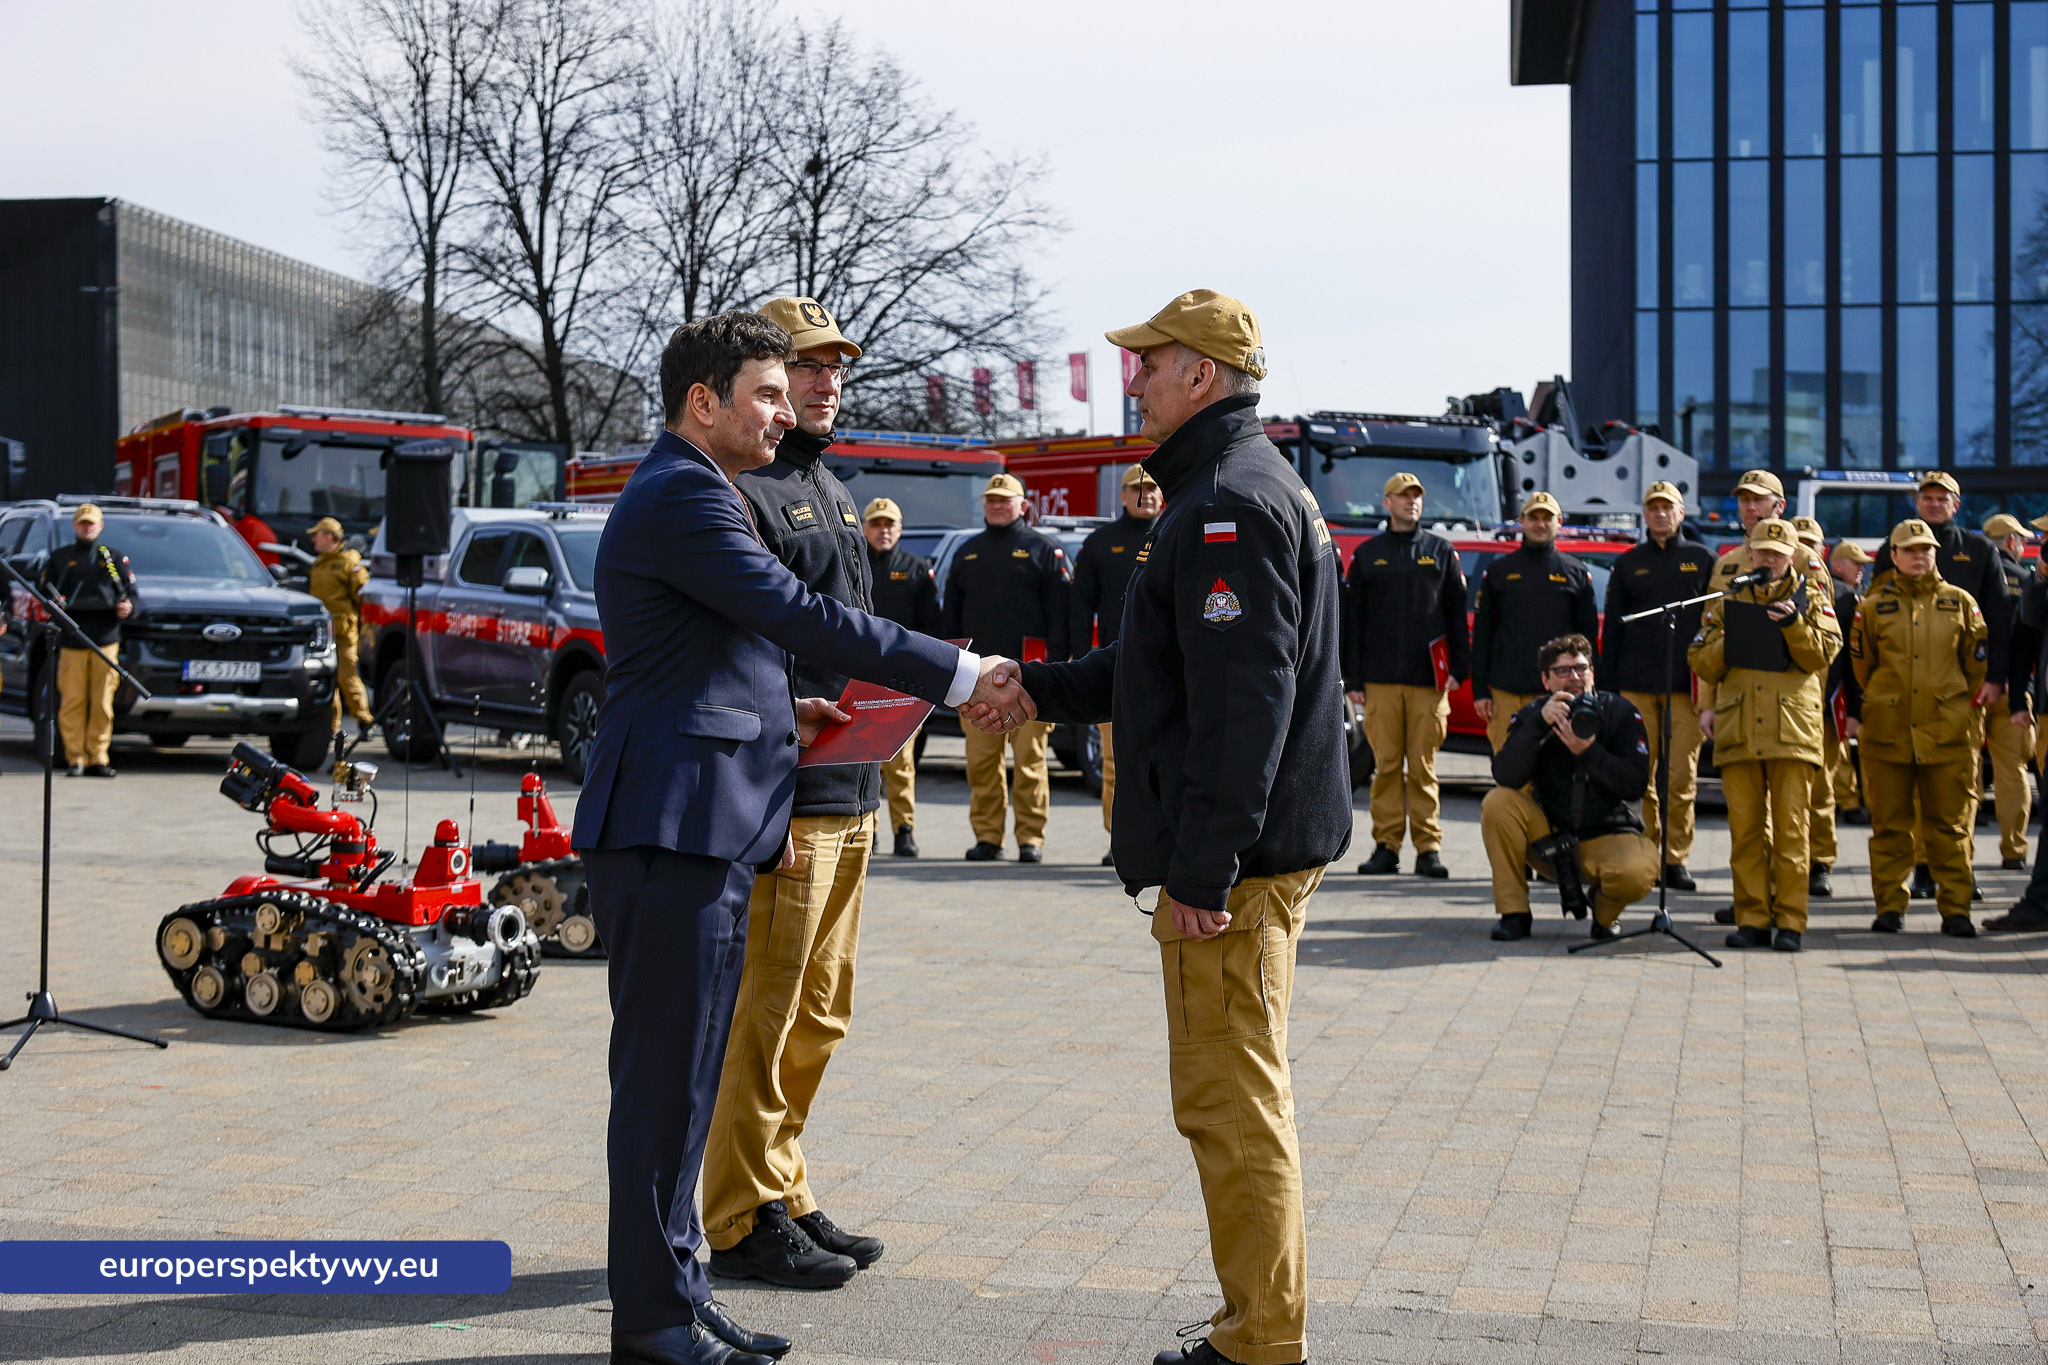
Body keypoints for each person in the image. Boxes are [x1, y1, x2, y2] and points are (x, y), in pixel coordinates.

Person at [571, 310, 1027, 1365]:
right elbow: (796, 614)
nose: (787, 412)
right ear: (703, 403)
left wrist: (796, 720)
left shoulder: (705, 486)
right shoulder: (684, 492)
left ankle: (679, 1295)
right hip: (669, 826)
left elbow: (720, 661)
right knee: (660, 1088)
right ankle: (649, 1321)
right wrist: (963, 676)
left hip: (706, 821)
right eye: (768, 394)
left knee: (687, 1083)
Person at [979, 289, 1349, 1365]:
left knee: (1229, 1103)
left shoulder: (1229, 503)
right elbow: (1163, 675)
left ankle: (1259, 1341)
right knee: (1231, 1094)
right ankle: (1255, 1322)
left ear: (1201, 374)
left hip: (1235, 874)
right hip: (1248, 857)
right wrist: (1034, 691)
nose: (1132, 379)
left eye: (1147, 362)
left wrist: (1203, 871)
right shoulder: (1221, 490)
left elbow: (1247, 710)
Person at [704, 297, 894, 1294]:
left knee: (819, 1016)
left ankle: (780, 1182)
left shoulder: (828, 486)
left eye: (834, 369)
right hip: (791, 802)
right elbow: (741, 658)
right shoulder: (743, 496)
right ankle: (736, 1218)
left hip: (852, 790)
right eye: (805, 367)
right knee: (766, 1018)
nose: (825, 384)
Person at [1689, 517, 1840, 952]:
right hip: (1740, 728)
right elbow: (1700, 659)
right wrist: (1731, 637)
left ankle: (1790, 920)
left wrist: (1792, 624)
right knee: (1746, 833)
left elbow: (1822, 654)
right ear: (1749, 553)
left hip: (1792, 728)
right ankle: (1752, 918)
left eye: (1778, 553)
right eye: (1762, 551)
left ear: (1792, 555)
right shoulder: (1728, 598)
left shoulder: (1812, 596)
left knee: (1793, 832)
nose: (1769, 560)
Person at [1847, 518, 1988, 936]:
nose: (1918, 555)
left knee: (1949, 825)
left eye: (1925, 549)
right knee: (1889, 824)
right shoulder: (1872, 606)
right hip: (1888, 730)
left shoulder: (1960, 602)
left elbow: (1974, 666)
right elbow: (1862, 666)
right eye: (1909, 550)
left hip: (1946, 731)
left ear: (1935, 554)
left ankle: (1956, 908)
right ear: (1893, 556)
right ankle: (1890, 905)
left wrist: (1949, 697)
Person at [1872, 472, 2008, 902]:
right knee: (1907, 796)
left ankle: (1957, 875)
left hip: (1961, 691)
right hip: (1901, 696)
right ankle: (1920, 871)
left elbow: (1999, 622)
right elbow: (1870, 637)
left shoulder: (1981, 550)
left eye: (1942, 498)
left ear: (1957, 503)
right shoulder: (1887, 551)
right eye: (1927, 497)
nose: (1934, 504)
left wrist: (1996, 679)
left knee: (1957, 795)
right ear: (1918, 502)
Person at [1482, 634, 1655, 942]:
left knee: (1638, 871)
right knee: (1498, 803)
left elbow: (1635, 784)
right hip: (1550, 836)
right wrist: (1538, 724)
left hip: (1607, 835)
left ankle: (1604, 915)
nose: (1574, 677)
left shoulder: (1621, 713)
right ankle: (1514, 914)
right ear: (1546, 680)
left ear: (1593, 673)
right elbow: (1505, 775)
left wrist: (1589, 752)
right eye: (1562, 671)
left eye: (1581, 668)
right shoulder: (1532, 714)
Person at [1344, 470, 1469, 878]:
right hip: (1380, 680)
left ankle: (1429, 849)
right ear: (1387, 503)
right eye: (1402, 496)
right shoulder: (1368, 554)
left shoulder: (1441, 551)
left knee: (1423, 767)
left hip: (1429, 683)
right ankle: (1386, 846)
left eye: (1416, 496)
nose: (1410, 502)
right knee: (1385, 767)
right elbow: (1353, 622)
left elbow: (1455, 614)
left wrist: (1460, 670)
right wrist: (1355, 679)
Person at [941, 471, 1070, 863]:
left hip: (1029, 679)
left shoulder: (1044, 549)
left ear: (1023, 506)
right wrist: (949, 668)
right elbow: (951, 617)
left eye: (1005, 499)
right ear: (984, 504)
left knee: (1030, 764)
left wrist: (1059, 669)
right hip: (974, 681)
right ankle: (988, 837)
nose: (997, 505)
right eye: (991, 499)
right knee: (982, 764)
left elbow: (1062, 614)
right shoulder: (968, 552)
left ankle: (1031, 839)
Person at [1598, 481, 1715, 892]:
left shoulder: (1702, 559)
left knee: (1681, 777)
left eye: (1668, 508)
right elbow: (1612, 630)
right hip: (1635, 687)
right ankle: (1648, 853)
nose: (1661, 514)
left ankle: (1675, 858)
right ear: (1644, 515)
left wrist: (1711, 687)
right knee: (1640, 776)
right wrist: (1607, 690)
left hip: (1685, 688)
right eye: (1653, 508)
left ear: (1682, 513)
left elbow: (1715, 626)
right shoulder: (1629, 563)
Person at [1070, 463, 1163, 864]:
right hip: (1116, 669)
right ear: (1122, 496)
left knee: (1167, 758)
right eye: (1136, 489)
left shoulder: (1177, 530)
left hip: (1170, 669)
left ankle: (1165, 837)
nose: (1147, 495)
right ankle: (1119, 840)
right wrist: (1075, 656)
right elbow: (1079, 606)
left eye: (1155, 489)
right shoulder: (1099, 543)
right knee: (1115, 761)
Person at [1470, 492, 1599, 751]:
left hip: (1559, 693)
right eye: (1534, 517)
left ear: (1559, 522)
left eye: (1547, 518)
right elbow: (1483, 633)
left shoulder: (1575, 572)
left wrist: (1588, 690)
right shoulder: (1499, 571)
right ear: (1522, 521)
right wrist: (1480, 691)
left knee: (1553, 773)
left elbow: (1587, 640)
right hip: (1507, 691)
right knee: (1509, 768)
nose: (1540, 524)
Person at [861, 496, 941, 857]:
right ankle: (869, 828)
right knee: (864, 758)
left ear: (900, 529)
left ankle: (904, 829)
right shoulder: (852, 562)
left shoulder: (916, 568)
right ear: (864, 528)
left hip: (904, 681)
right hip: (859, 675)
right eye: (876, 524)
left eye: (889, 524)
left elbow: (931, 629)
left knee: (901, 761)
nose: (883, 530)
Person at [38, 503, 136, 778]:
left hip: (106, 639)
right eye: (82, 522)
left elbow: (132, 592)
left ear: (101, 525)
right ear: (74, 526)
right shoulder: (60, 558)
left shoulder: (113, 557)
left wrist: (128, 607)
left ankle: (98, 757)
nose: (87, 527)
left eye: (92, 522)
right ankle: (75, 758)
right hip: (72, 639)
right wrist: (55, 604)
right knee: (72, 700)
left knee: (102, 702)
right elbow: (44, 592)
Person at [1789, 516, 1847, 897]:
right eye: (1801, 542)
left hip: (1823, 704)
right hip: (1787, 701)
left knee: (1823, 788)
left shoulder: (1843, 595)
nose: (1808, 551)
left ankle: (1821, 862)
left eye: (1814, 543)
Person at [1982, 512, 2035, 871]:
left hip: (1969, 687)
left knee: (1962, 770)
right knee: (2012, 771)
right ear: (2013, 543)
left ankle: (1957, 851)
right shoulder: (2025, 581)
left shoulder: (1971, 576)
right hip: (2013, 690)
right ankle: (2013, 851)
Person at [306, 516, 374, 739]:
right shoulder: (318, 564)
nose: (313, 540)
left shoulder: (349, 563)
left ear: (328, 537)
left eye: (317, 535)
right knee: (327, 681)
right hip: (322, 634)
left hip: (344, 632)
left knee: (348, 677)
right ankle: (332, 726)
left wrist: (363, 627)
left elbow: (362, 596)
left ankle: (365, 720)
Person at [1825, 541, 1873, 828]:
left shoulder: (1850, 594)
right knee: (1840, 748)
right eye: (1856, 563)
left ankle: (1849, 800)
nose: (1861, 569)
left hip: (1835, 686)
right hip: (1840, 686)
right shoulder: (1847, 598)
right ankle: (1851, 802)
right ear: (1838, 565)